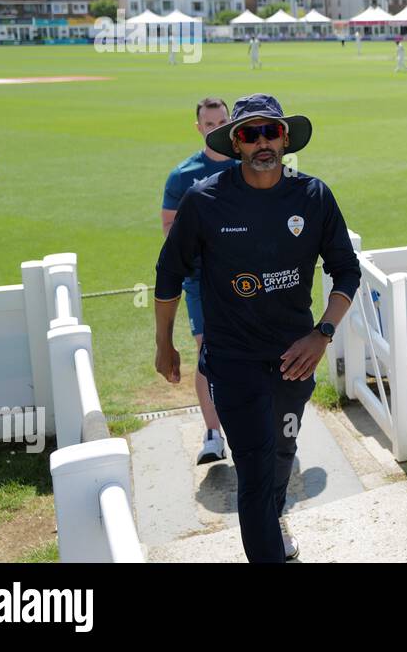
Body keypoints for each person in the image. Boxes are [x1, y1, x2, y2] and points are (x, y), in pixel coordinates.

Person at [153, 94, 360, 563]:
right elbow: (168, 275)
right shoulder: (205, 200)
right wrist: (164, 344)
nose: (262, 142)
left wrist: (322, 333)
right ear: (236, 143)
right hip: (232, 361)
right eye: (250, 134)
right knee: (253, 467)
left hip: (295, 361)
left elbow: (346, 270)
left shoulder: (314, 195)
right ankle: (268, 547)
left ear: (285, 137)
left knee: (280, 458)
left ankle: (271, 523)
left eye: (271, 131)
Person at [161, 97, 239, 466]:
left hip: (247, 279)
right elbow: (169, 229)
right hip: (201, 282)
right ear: (199, 128)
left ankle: (257, 427)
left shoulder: (249, 166)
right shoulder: (183, 174)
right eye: (210, 124)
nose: (216, 128)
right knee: (208, 354)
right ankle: (213, 434)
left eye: (222, 121)